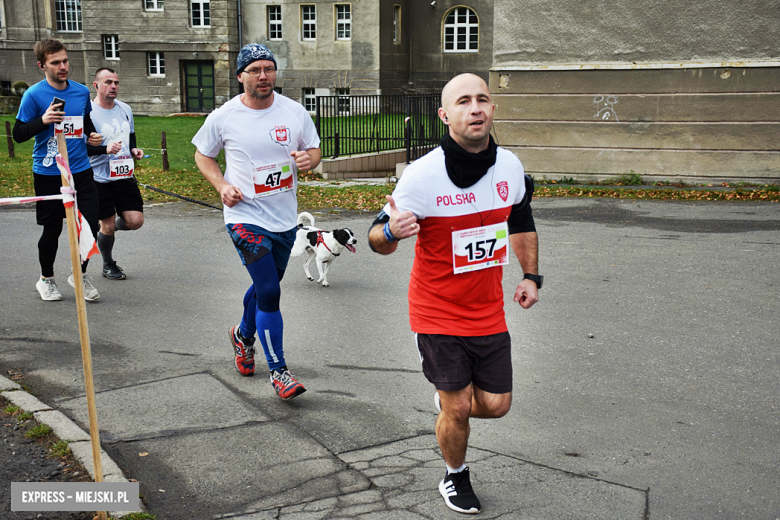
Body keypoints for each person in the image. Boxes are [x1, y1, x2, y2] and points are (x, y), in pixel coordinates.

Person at [368, 73, 542, 514]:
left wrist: (530, 276)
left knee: (497, 405)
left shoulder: (510, 168)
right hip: (436, 311)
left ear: (493, 109)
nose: (476, 108)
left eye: (483, 99)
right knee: (461, 406)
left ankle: (450, 405)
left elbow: (520, 221)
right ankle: (455, 475)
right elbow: (376, 240)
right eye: (463, 101)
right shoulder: (422, 176)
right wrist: (390, 231)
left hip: (486, 311)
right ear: (445, 115)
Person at [192, 43, 321, 400]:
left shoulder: (294, 112)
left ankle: (243, 334)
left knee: (265, 286)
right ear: (240, 76)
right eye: (255, 70)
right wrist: (222, 186)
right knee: (270, 291)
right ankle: (279, 371)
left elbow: (313, 149)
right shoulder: (224, 116)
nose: (263, 76)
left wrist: (309, 160)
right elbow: (204, 155)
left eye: (269, 68)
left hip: (283, 219)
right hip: (244, 216)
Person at [14, 39, 106, 302]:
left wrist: (92, 136)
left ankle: (79, 274)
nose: (63, 66)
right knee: (52, 229)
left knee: (89, 226)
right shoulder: (33, 95)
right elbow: (18, 134)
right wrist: (42, 121)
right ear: (42, 65)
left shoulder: (79, 92)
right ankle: (46, 279)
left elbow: (85, 121)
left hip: (80, 170)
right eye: (56, 62)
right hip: (48, 172)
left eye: (65, 60)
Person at [88, 67, 145, 280]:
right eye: (108, 82)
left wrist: (134, 150)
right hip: (98, 177)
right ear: (96, 85)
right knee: (108, 223)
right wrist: (104, 149)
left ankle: (105, 231)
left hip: (123, 174)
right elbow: (79, 148)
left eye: (116, 83)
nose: (113, 86)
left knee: (135, 221)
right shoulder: (88, 112)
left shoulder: (125, 109)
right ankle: (108, 263)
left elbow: (130, 135)